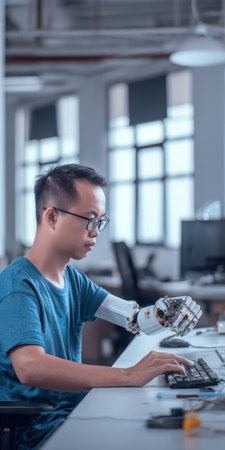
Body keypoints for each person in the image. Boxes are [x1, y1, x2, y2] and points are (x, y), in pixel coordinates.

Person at [0, 164, 200, 449]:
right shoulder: (18, 284)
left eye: (101, 222)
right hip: (38, 431)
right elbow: (30, 366)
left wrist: (163, 312)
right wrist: (128, 375)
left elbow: (133, 317)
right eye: (89, 219)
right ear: (52, 216)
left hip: (74, 415)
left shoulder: (73, 280)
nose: (96, 232)